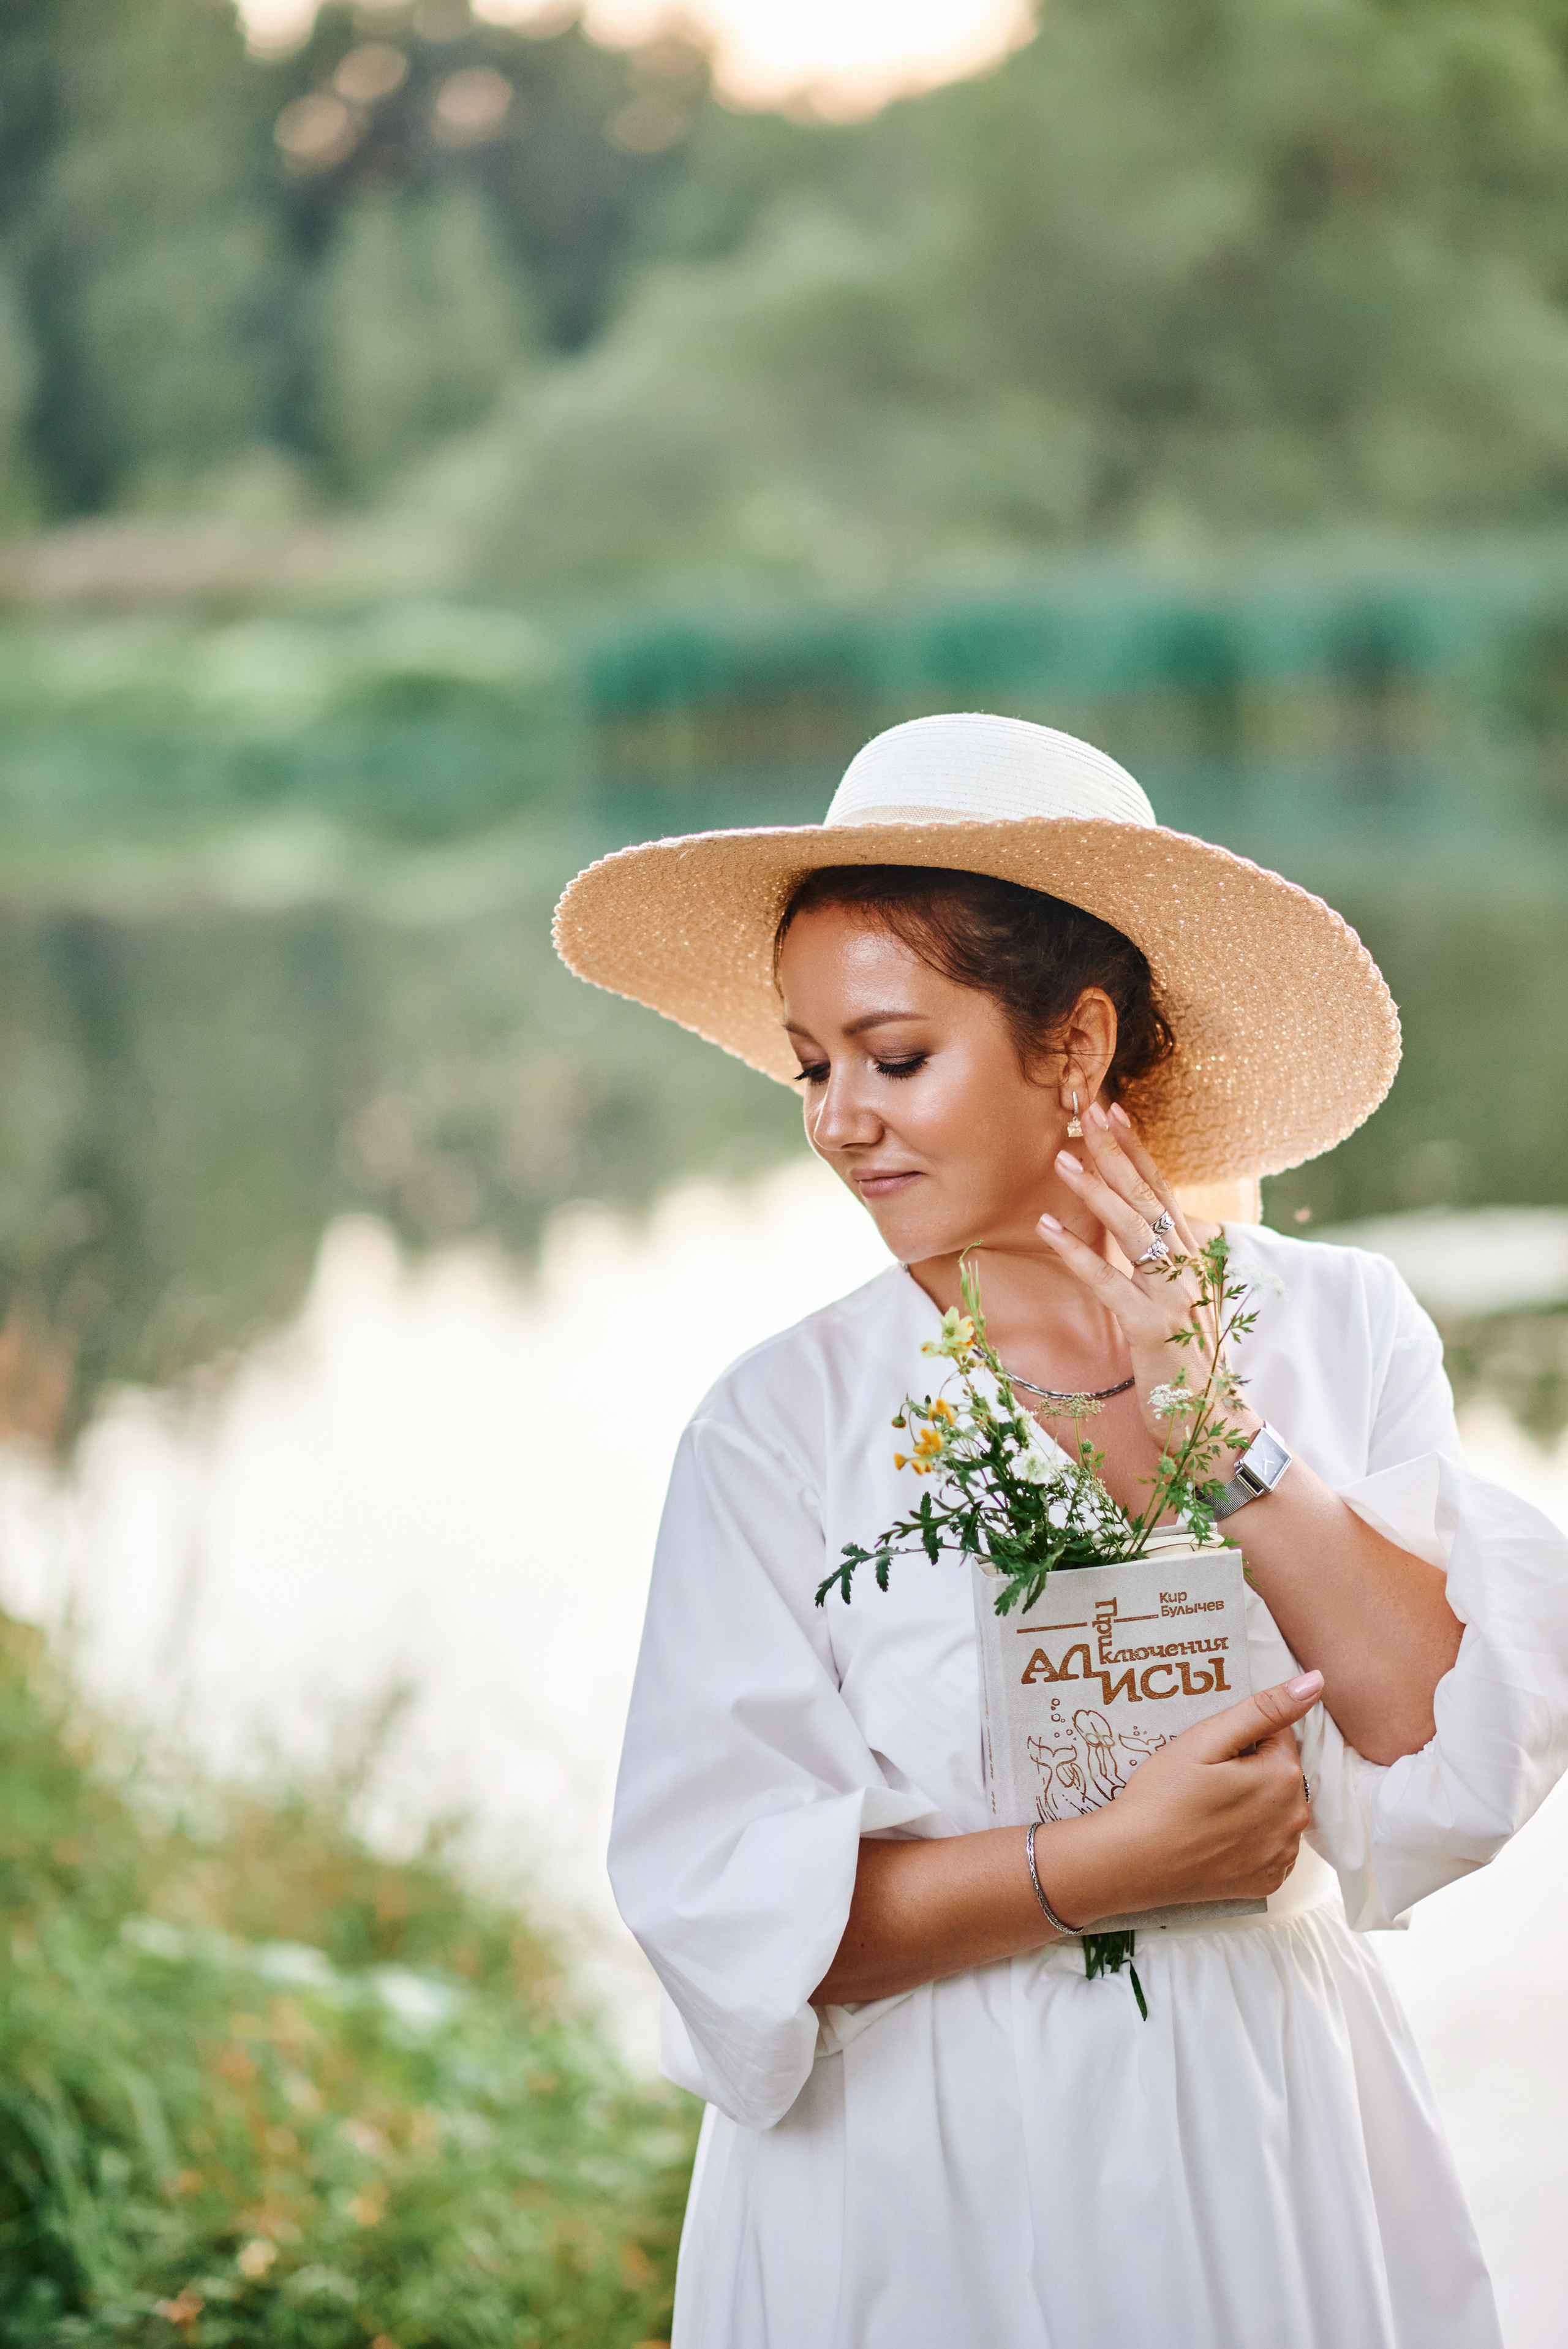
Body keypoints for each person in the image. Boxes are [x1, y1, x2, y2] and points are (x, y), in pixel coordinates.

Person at [552, 714, 1568, 2349]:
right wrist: (1092, 1868)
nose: (836, 1120)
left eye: (894, 1057)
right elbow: (719, 1904)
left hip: (1258, 2132)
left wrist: (1218, 1427)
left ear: (1077, 1045)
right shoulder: (777, 1426)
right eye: (814, 1065)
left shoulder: (1337, 1326)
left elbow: (1432, 1742)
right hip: (910, 2173)